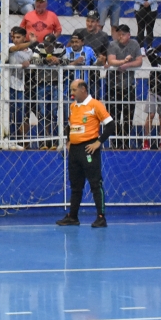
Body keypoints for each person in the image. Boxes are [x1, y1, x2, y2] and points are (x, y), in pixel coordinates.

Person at [56, 79, 115, 228]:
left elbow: (111, 125)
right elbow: (70, 126)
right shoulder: (73, 106)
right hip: (74, 151)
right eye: (71, 90)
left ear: (83, 89)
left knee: (95, 183)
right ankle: (73, 216)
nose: (71, 93)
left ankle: (101, 217)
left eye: (74, 90)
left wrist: (98, 142)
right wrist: (69, 142)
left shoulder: (95, 105)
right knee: (75, 185)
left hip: (89, 149)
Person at [105, 25, 142, 148]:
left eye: (123, 34)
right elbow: (111, 61)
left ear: (128, 35)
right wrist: (124, 62)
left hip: (128, 85)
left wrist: (127, 65)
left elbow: (139, 61)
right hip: (113, 85)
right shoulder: (113, 44)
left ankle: (125, 141)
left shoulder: (134, 44)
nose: (120, 36)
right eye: (119, 34)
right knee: (112, 115)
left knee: (128, 116)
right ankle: (115, 141)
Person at [30, 34, 67, 146]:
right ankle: (43, 141)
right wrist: (45, 60)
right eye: (46, 45)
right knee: (42, 113)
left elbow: (67, 62)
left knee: (54, 112)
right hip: (41, 83)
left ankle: (54, 141)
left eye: (49, 45)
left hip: (56, 83)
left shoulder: (61, 47)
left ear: (55, 44)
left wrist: (58, 61)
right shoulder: (39, 46)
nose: (47, 47)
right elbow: (34, 61)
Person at [72, 9, 110, 97]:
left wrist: (103, 60)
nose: (89, 24)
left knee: (93, 98)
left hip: (94, 73)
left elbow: (105, 54)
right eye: (88, 21)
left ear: (98, 22)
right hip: (77, 71)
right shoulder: (78, 32)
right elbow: (70, 49)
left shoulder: (103, 36)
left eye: (92, 21)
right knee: (75, 99)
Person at [7, 26, 34, 145]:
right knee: (9, 111)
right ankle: (10, 138)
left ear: (24, 37)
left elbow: (31, 65)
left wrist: (29, 63)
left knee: (20, 113)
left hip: (21, 85)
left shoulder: (30, 52)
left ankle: (17, 136)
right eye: (14, 37)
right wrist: (32, 42)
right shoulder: (9, 46)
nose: (15, 40)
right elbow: (16, 48)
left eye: (18, 37)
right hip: (8, 84)